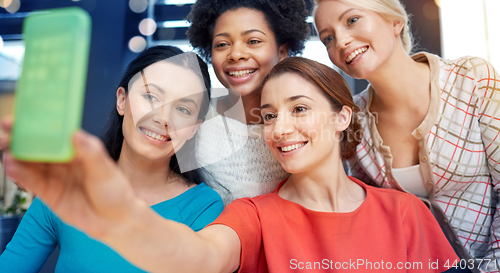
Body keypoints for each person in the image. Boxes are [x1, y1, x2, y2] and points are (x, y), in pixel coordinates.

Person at [0, 57, 461, 272]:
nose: (281, 129)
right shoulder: (252, 216)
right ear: (122, 100)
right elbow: (197, 258)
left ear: (343, 115)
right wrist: (115, 208)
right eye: (268, 116)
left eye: (299, 109)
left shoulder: (407, 215)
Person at [313, 0, 500, 271]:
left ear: (394, 21)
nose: (342, 41)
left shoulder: (472, 78)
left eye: (352, 20)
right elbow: (372, 214)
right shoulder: (353, 120)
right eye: (328, 38)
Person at [0, 46, 224, 272]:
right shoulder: (67, 187)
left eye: (183, 110)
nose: (163, 118)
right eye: (151, 96)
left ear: (194, 128)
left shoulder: (204, 207)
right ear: (122, 101)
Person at [187, 0, 310, 204]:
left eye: (253, 41)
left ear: (282, 51)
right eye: (222, 44)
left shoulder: (303, 125)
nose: (236, 54)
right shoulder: (194, 121)